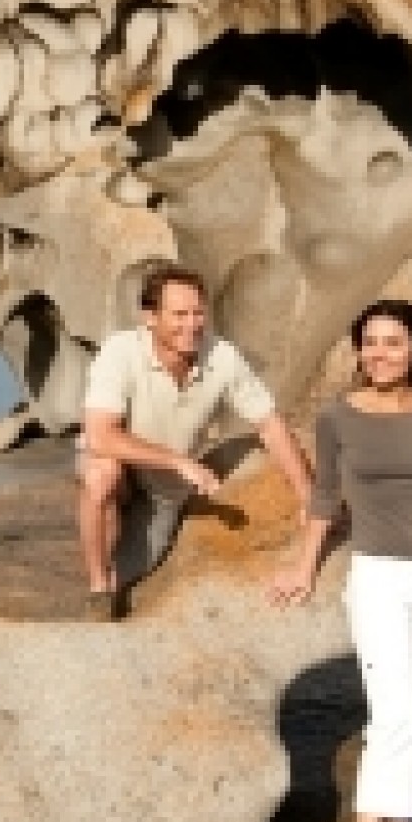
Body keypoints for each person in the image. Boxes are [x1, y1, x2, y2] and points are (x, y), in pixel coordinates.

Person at [266, 298, 412, 822]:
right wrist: (304, 565)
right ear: (359, 351)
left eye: (392, 342)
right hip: (377, 576)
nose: (378, 353)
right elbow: (326, 494)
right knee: (396, 718)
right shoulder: (338, 416)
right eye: (369, 342)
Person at [77, 263, 312, 621]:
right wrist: (179, 461)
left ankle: (112, 576)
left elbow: (271, 426)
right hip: (120, 464)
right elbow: (99, 435)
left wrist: (309, 496)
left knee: (130, 573)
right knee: (100, 477)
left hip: (164, 489)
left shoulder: (222, 356)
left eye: (198, 313)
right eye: (179, 314)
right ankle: (96, 589)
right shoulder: (120, 352)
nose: (192, 324)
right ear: (150, 317)